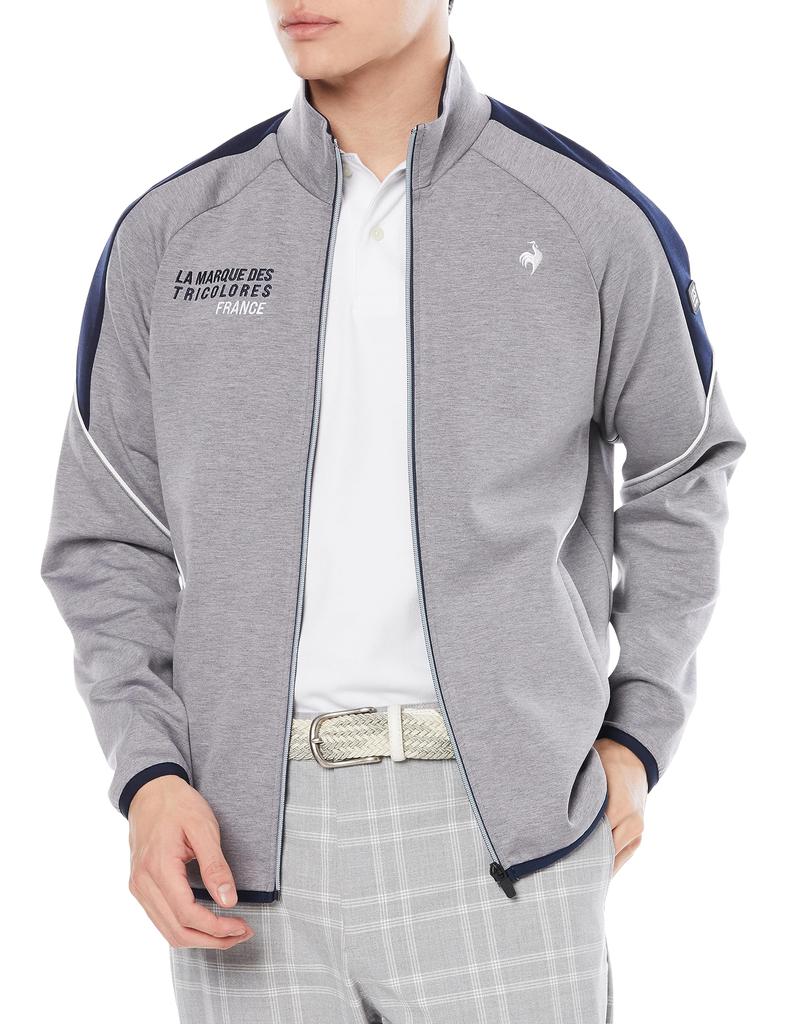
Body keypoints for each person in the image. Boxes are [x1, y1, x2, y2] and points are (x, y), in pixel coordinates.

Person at [41, 1, 745, 1020]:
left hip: (507, 847)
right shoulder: (172, 232)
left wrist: (636, 737)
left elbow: (684, 470)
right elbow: (107, 531)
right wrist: (147, 773)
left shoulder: (587, 218)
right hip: (240, 853)